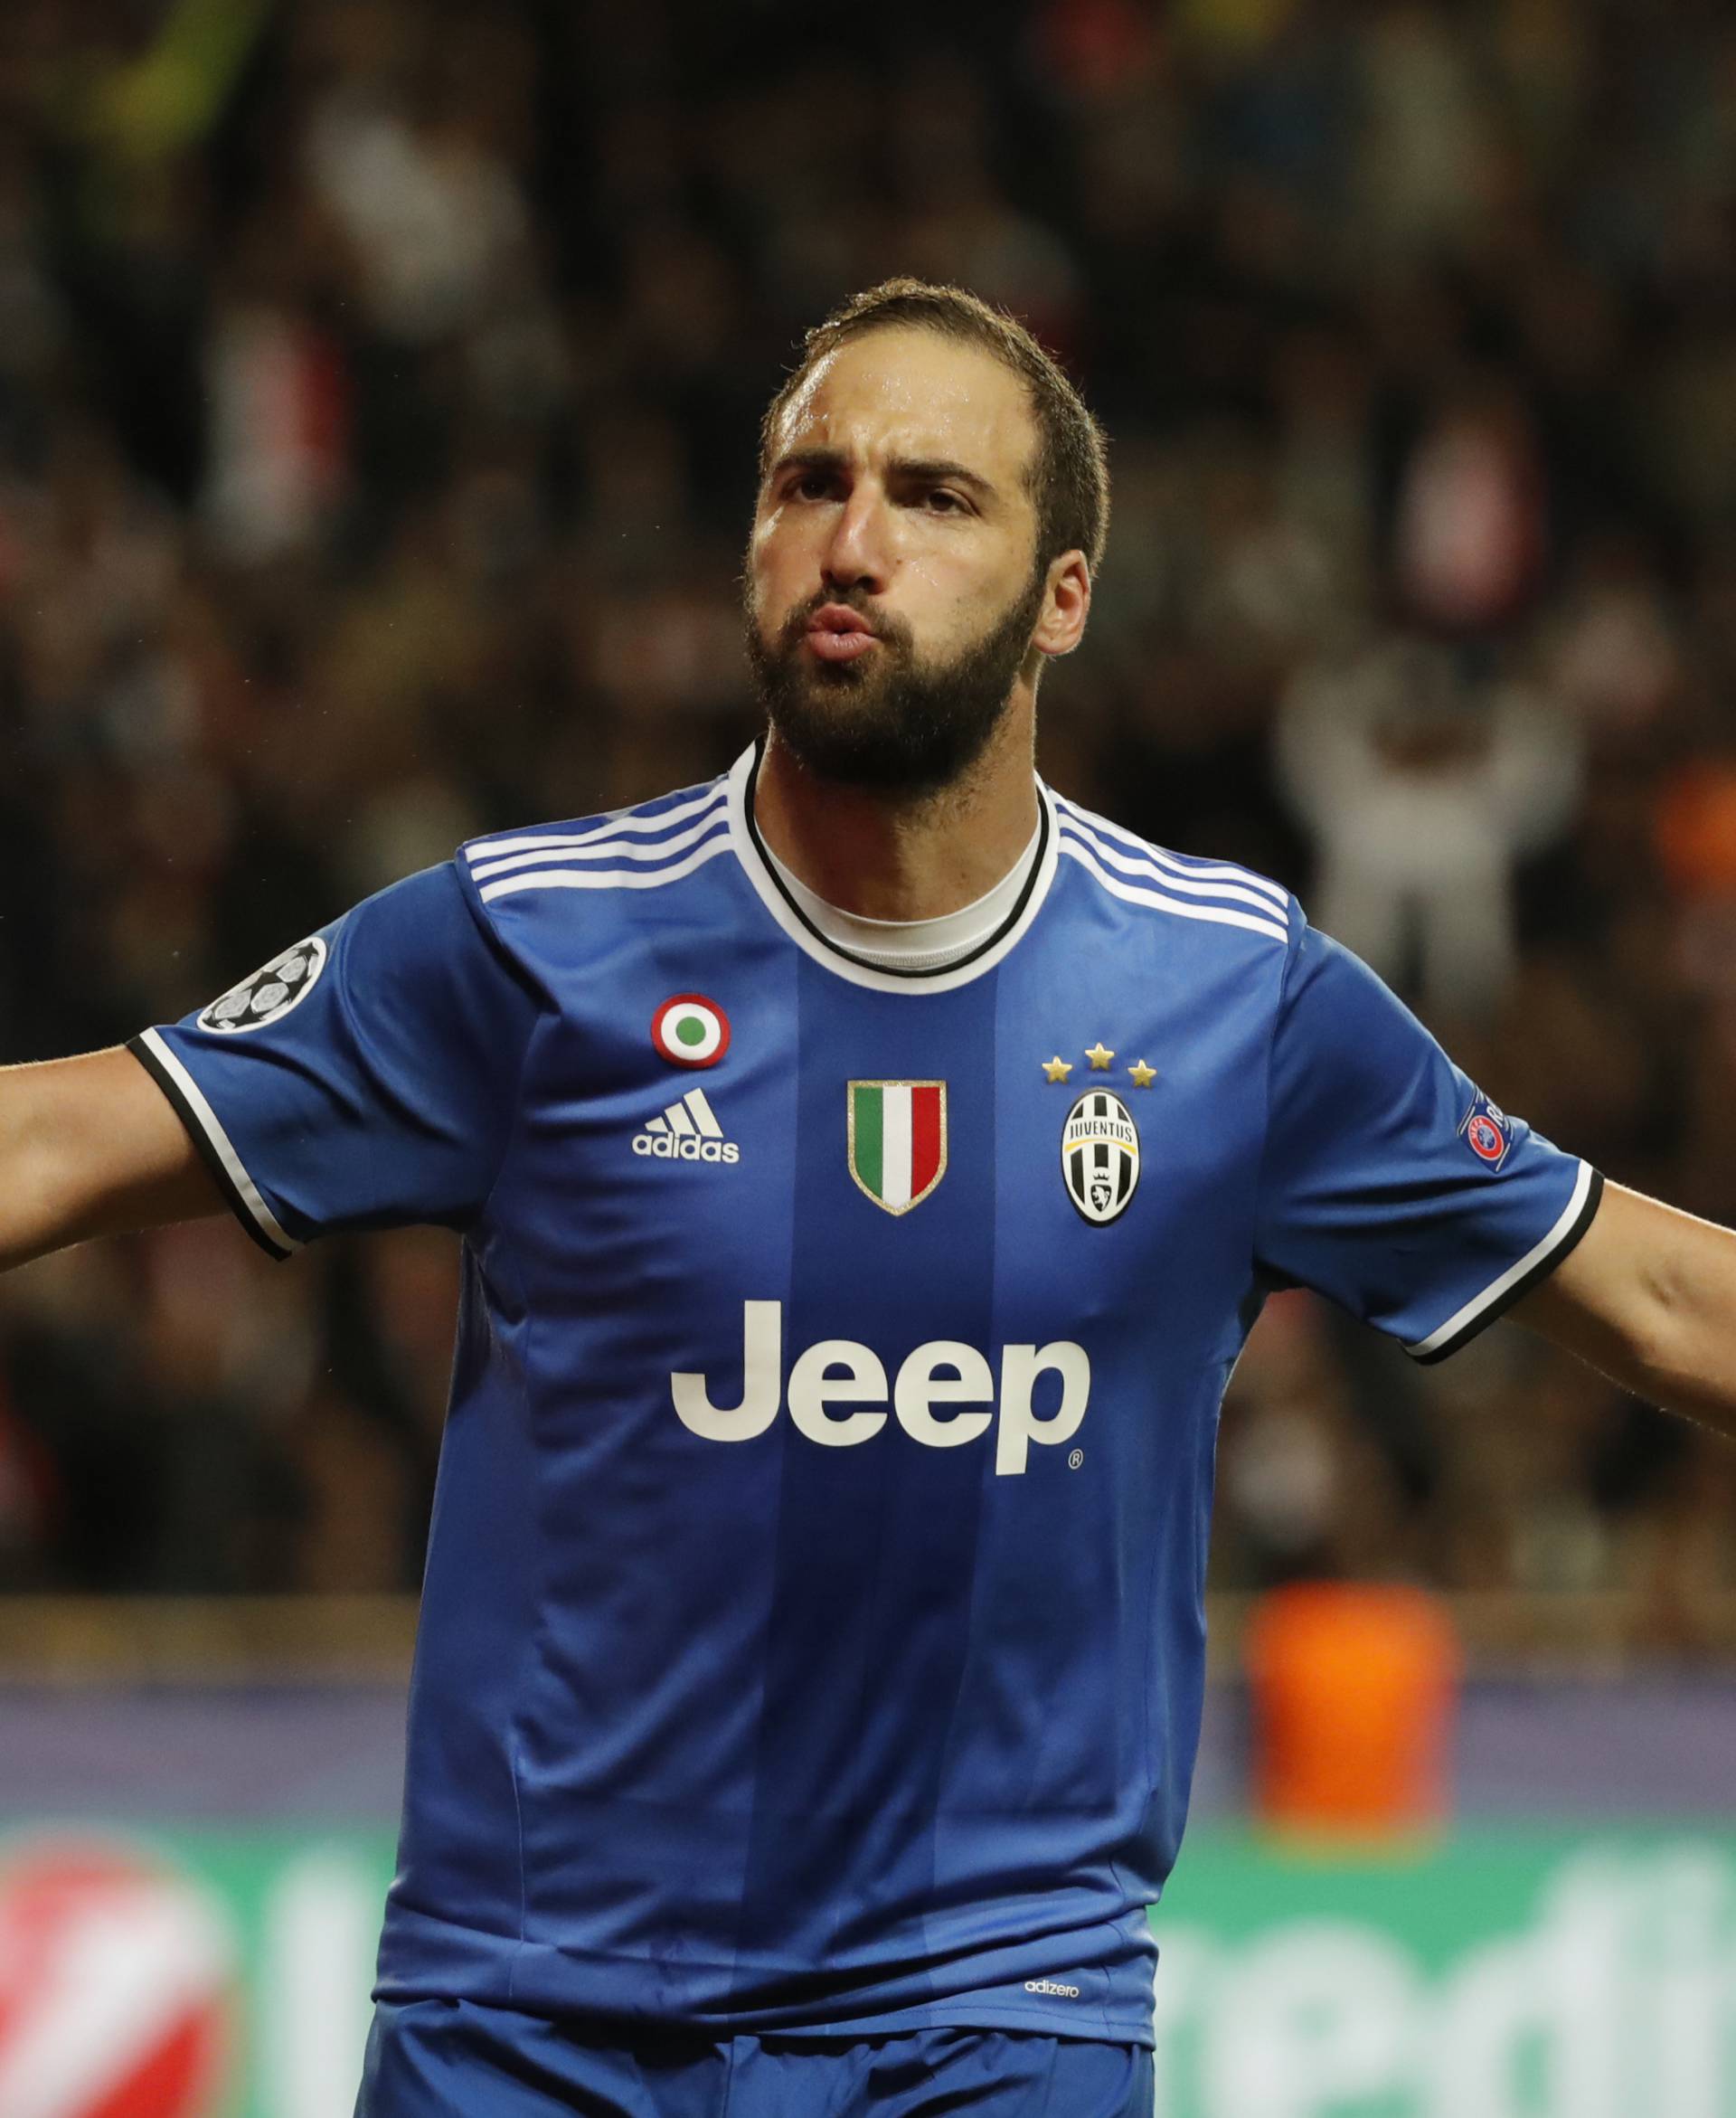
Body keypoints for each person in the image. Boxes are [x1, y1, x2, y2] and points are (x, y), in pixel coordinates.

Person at [5, 279, 1734, 2117]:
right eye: (806, 481)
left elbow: (1656, 1293)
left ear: (1065, 594)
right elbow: (57, 1138)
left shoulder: (1238, 1000)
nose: (851, 540)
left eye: (935, 494)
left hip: (999, 2026)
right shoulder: (530, 944)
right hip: (530, 2028)